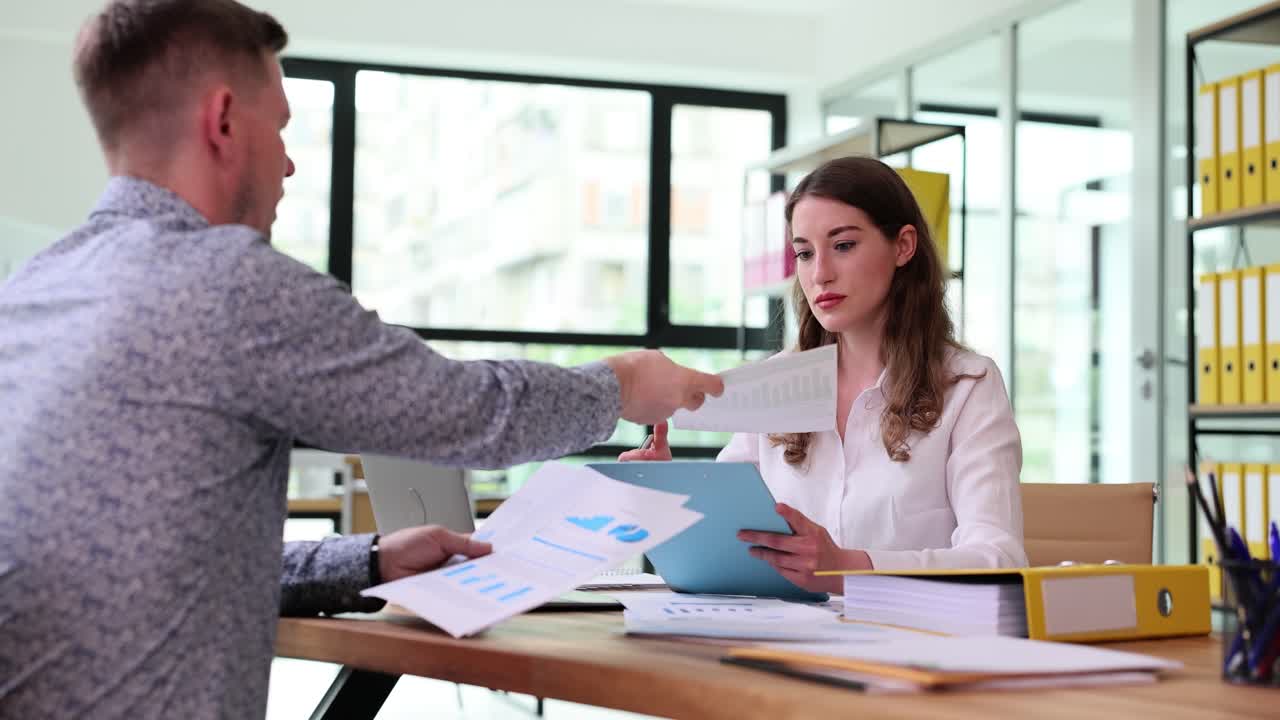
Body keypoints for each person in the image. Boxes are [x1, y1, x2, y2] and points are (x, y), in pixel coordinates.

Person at [0, 1, 723, 717]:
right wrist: (622, 384)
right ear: (222, 121)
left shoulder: (32, 291)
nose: (286, 162)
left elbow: (138, 567)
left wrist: (366, 563)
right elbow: (472, 416)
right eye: (280, 126)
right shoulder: (224, 280)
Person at [621, 156, 1027, 594]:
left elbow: (998, 559)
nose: (820, 274)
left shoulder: (968, 385)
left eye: (844, 245)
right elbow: (730, 547)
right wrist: (668, 498)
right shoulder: (772, 384)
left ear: (903, 246)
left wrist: (847, 567)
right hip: (781, 641)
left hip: (909, 645)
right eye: (804, 253)